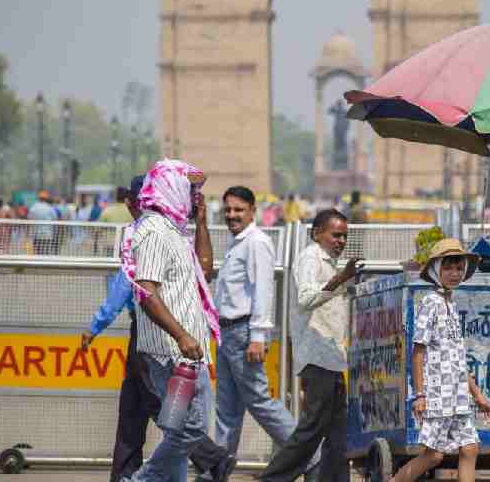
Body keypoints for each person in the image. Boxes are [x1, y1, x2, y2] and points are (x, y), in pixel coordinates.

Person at [81, 176, 232, 482]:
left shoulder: (174, 232)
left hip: (175, 343)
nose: (194, 199)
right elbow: (135, 287)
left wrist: (202, 223)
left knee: (161, 419)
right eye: (189, 193)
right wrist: (97, 324)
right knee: (163, 419)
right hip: (164, 343)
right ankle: (201, 461)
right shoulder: (148, 234)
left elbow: (203, 271)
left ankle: (201, 461)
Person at [196, 187, 319, 481]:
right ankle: (217, 469)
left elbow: (264, 289)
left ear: (252, 211)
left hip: (243, 332)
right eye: (227, 210)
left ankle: (312, 456)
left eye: (238, 210)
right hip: (226, 333)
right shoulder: (236, 243)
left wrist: (258, 336)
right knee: (226, 411)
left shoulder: (257, 243)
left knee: (261, 403)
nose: (232, 215)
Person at [258, 209, 361, 482]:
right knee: (311, 430)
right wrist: (339, 280)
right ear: (317, 233)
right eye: (335, 235)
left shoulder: (329, 263)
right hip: (316, 358)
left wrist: (344, 280)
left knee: (339, 434)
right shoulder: (310, 258)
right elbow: (305, 298)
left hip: (332, 358)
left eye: (344, 236)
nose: (341, 241)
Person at [390, 238, 490, 482]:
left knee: (470, 448)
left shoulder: (451, 304)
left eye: (459, 268)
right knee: (433, 456)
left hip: (457, 393)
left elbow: (457, 358)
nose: (454, 274)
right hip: (437, 393)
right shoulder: (430, 302)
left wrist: (476, 394)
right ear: (437, 270)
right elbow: (418, 351)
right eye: (448, 268)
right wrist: (420, 394)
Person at [28, 190, 58, 254]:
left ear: (39, 198)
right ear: (47, 198)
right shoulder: (50, 208)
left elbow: (29, 218)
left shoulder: (33, 207)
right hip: (47, 235)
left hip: (36, 235)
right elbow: (55, 219)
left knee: (38, 252)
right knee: (46, 253)